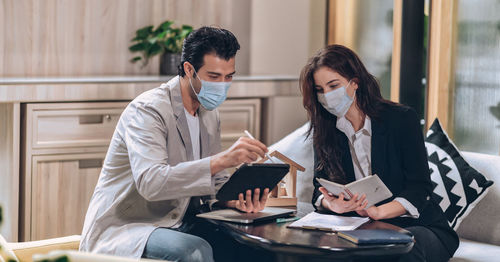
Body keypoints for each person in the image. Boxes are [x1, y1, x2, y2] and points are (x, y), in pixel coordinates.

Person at [79, 26, 271, 262]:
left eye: (228, 76)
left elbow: (212, 181)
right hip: (130, 227)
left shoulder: (209, 113)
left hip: (181, 221)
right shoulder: (148, 110)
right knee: (194, 252)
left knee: (251, 247)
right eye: (213, 77)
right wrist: (223, 160)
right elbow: (151, 183)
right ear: (189, 69)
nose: (222, 85)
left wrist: (234, 198)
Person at [299, 45, 459, 262]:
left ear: (354, 83)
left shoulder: (401, 119)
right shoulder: (325, 129)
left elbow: (420, 188)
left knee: (403, 249)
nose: (327, 96)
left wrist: (379, 212)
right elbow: (319, 191)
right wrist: (332, 204)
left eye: (333, 85)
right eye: (319, 90)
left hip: (419, 225)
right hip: (363, 227)